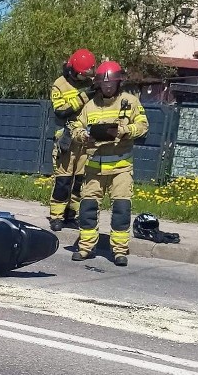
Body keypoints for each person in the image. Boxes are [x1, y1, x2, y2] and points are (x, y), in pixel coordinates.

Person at [70, 60, 149, 266]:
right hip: (94, 167)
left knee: (121, 210)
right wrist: (82, 136)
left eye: (111, 83)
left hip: (121, 168)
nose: (107, 86)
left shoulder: (130, 102)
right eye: (103, 84)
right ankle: (86, 247)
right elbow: (76, 127)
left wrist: (125, 131)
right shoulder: (90, 106)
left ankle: (119, 251)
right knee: (87, 208)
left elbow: (143, 126)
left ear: (118, 82)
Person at [48, 49, 97, 231]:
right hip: (66, 140)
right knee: (63, 181)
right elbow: (61, 111)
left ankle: (71, 214)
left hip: (85, 138)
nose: (82, 78)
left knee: (79, 181)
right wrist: (85, 96)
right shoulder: (59, 84)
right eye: (79, 74)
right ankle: (56, 216)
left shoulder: (90, 83)